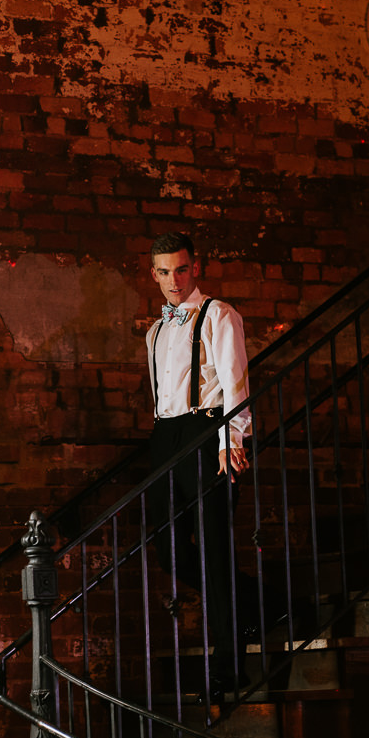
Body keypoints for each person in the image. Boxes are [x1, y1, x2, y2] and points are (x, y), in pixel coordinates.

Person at [144, 231, 257, 701]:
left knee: (213, 552)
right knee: (165, 548)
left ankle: (228, 670)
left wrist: (231, 439)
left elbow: (235, 382)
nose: (174, 279)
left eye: (182, 269)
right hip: (165, 436)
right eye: (165, 271)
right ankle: (263, 606)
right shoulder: (155, 330)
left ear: (196, 267)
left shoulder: (219, 315)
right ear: (154, 273)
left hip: (207, 432)